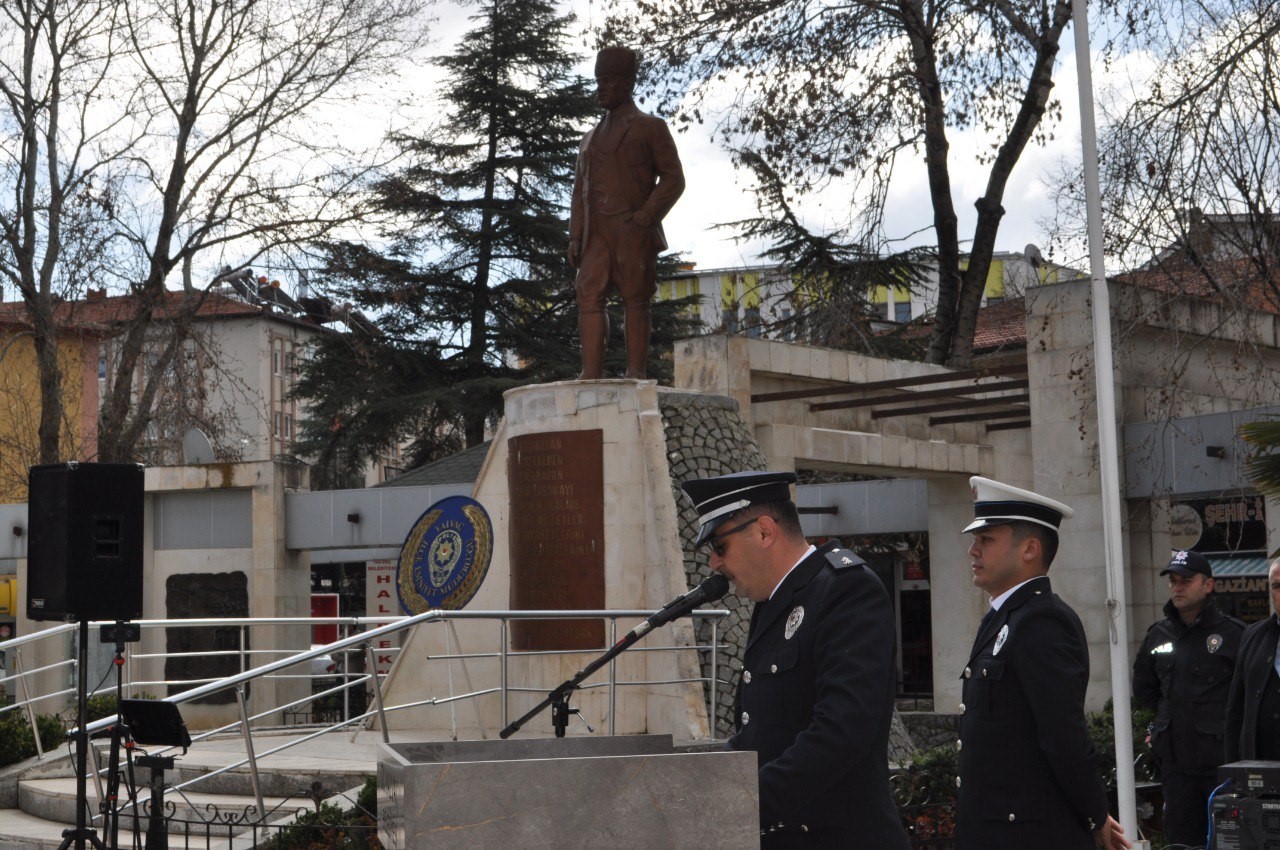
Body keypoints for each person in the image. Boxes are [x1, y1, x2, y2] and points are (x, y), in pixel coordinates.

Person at [680, 470, 910, 848]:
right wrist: (708, 785)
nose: (713, 565)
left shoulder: (847, 588)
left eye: (720, 547)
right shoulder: (775, 602)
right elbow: (763, 732)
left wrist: (745, 801)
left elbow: (842, 731)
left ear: (765, 532)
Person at [956, 476, 1129, 850]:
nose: (973, 550)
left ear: (1030, 549)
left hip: (1028, 834)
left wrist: (1095, 815)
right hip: (994, 830)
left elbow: (1063, 732)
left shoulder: (1041, 621)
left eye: (985, 540)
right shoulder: (1002, 617)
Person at [568, 46, 684, 380]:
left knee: (636, 299)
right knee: (588, 295)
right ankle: (590, 374)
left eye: (608, 81)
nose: (601, 88)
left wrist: (646, 217)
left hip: (632, 226)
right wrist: (575, 235)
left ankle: (636, 374)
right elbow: (579, 191)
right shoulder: (588, 140)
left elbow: (674, 179)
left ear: (628, 84)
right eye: (598, 81)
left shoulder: (650, 127)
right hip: (595, 232)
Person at [1132, 549, 1243, 847]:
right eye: (1173, 581)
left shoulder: (1234, 636)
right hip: (1176, 767)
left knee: (1229, 840)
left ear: (1208, 585)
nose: (1177, 587)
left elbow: (1247, 696)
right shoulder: (1158, 635)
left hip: (1221, 767)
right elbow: (1143, 688)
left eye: (1186, 580)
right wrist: (1169, 717)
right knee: (1180, 840)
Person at [1225, 557, 1280, 762]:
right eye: (1277, 586)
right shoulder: (1253, 636)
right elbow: (1236, 711)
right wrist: (1232, 772)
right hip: (1261, 769)